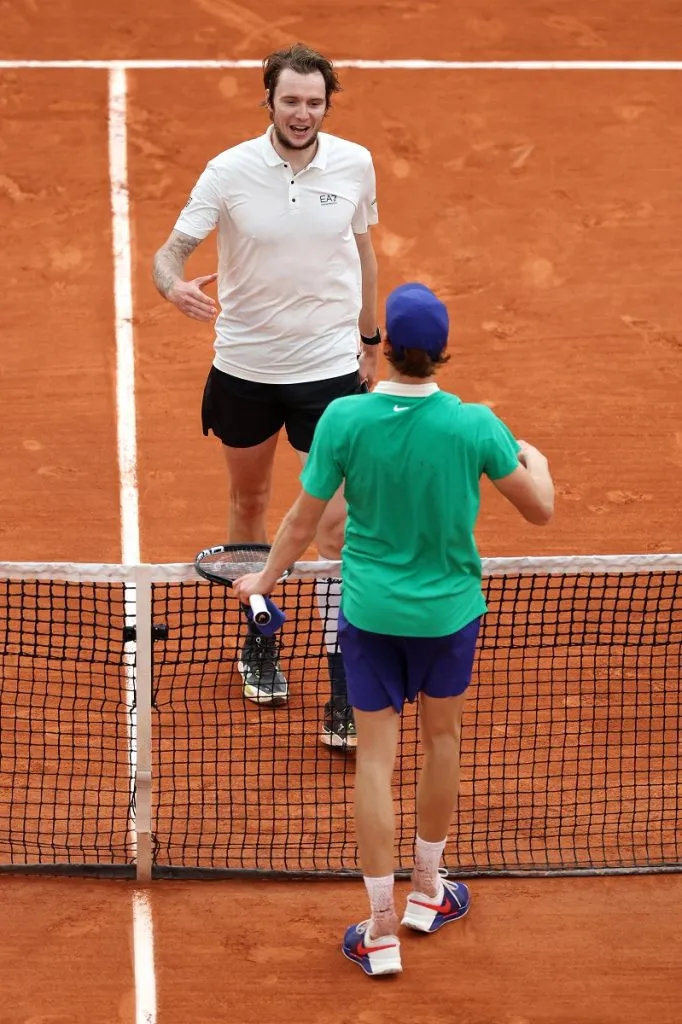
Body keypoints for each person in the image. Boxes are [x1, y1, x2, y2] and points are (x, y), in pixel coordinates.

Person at [233, 282, 555, 976]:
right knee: (443, 741)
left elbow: (300, 522)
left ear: (380, 352)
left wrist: (261, 583)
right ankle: (429, 892)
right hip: (448, 618)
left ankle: (380, 931)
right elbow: (540, 511)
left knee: (375, 763)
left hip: (371, 615)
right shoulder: (476, 425)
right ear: (442, 353)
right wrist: (536, 460)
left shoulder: (344, 420)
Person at [152, 44, 381, 748]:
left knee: (336, 526)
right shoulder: (229, 171)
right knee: (250, 506)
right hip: (246, 367)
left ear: (326, 105)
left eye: (314, 102)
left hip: (328, 367)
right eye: (291, 101)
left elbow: (367, 251)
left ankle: (346, 677)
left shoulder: (355, 164)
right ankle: (260, 638)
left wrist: (369, 341)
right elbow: (169, 254)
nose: (303, 113)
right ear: (270, 100)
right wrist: (174, 286)